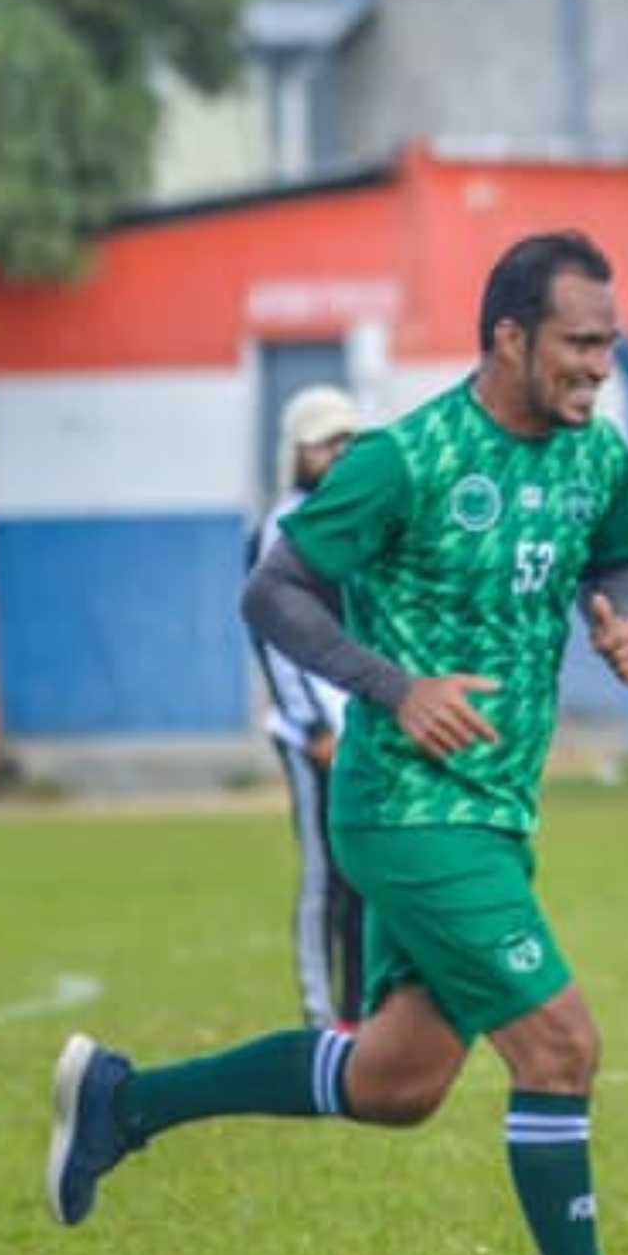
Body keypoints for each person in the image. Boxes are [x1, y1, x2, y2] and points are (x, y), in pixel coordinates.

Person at [45, 231, 628, 1255]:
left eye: (609, 342)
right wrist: (395, 687)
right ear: (508, 337)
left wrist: (610, 619)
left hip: (497, 812)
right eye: (578, 342)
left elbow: (610, 558)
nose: (599, 365)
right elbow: (273, 590)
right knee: (560, 1046)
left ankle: (124, 1102)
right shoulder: (403, 461)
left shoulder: (598, 457)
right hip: (406, 807)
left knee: (396, 1083)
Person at [251, 383, 365, 1030]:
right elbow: (276, 638)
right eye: (324, 442)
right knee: (324, 873)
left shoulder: (357, 522)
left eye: (347, 440)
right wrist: (314, 726)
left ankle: (364, 1011)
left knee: (368, 871)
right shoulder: (283, 527)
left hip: (363, 723)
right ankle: (323, 1017)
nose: (337, 453)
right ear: (295, 451)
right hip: (312, 733)